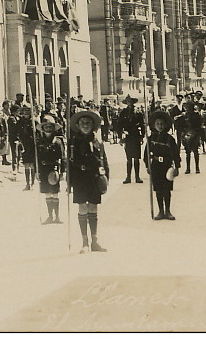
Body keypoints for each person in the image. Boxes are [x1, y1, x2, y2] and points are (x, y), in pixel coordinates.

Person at [69, 110, 110, 253]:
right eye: (82, 123)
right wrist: (69, 183)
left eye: (88, 123)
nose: (85, 125)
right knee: (82, 208)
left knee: (93, 208)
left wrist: (106, 179)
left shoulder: (98, 141)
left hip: (94, 178)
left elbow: (104, 160)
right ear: (78, 125)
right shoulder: (73, 141)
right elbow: (68, 164)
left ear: (93, 125)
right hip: (79, 179)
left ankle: (95, 241)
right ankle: (84, 242)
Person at [145, 111, 181, 220]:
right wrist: (148, 165)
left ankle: (168, 211)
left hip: (167, 165)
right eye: (157, 124)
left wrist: (177, 167)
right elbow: (146, 154)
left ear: (165, 125)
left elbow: (176, 154)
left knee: (167, 189)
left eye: (162, 124)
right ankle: (160, 211)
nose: (160, 126)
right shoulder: (151, 139)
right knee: (158, 189)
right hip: (155, 165)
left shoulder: (170, 139)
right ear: (154, 125)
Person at [36, 115, 65, 224]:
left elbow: (63, 157)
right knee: (47, 193)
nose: (48, 129)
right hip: (43, 170)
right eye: (46, 127)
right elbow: (37, 158)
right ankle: (50, 216)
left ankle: (57, 216)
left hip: (54, 170)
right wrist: (36, 171)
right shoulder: (39, 142)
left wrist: (63, 171)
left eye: (50, 127)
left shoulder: (57, 142)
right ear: (43, 129)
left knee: (55, 193)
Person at [118, 96, 145, 184]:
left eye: (131, 101)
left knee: (136, 158)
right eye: (128, 101)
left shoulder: (138, 112)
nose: (130, 103)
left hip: (136, 136)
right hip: (128, 137)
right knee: (129, 158)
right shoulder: (123, 113)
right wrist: (120, 137)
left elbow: (142, 125)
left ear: (133, 102)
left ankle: (137, 176)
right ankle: (128, 177)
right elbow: (119, 125)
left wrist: (142, 136)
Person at [178, 101, 203, 174]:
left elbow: (199, 125)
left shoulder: (196, 115)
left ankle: (197, 167)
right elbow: (181, 126)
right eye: (187, 107)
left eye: (189, 107)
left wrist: (199, 135)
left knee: (195, 151)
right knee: (187, 152)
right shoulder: (183, 116)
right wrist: (183, 133)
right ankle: (188, 168)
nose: (187, 109)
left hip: (195, 135)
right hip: (186, 135)